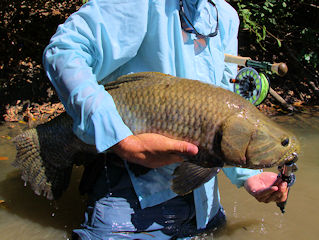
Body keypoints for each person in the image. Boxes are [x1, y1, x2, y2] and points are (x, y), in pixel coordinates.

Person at [43, 0, 289, 239]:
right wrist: (122, 140)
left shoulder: (225, 15)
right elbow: (65, 50)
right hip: (129, 200)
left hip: (205, 209)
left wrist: (249, 176)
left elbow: (226, 111)